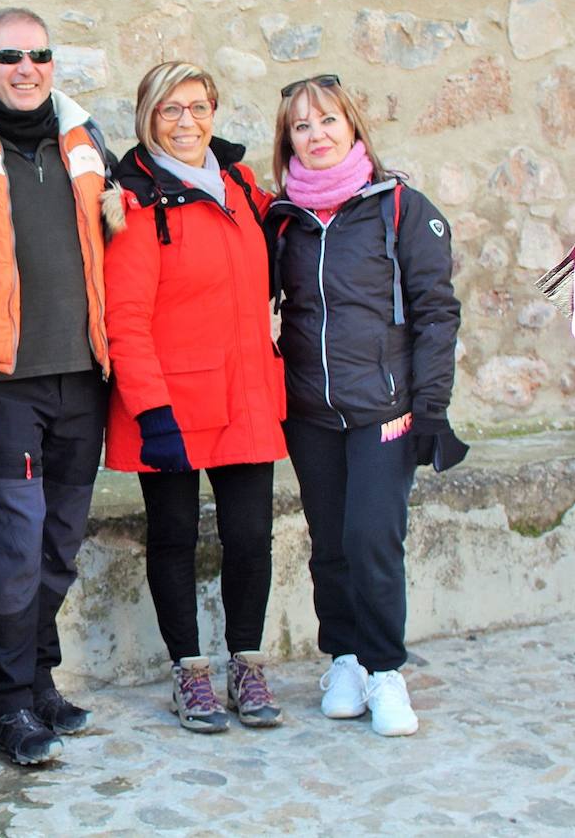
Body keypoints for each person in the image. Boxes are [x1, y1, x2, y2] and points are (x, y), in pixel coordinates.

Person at [270, 74, 464, 737]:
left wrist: (431, 408)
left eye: (327, 120)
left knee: (372, 540)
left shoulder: (402, 206)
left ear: (353, 126)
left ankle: (386, 672)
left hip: (387, 410)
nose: (316, 135)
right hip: (310, 411)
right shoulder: (284, 218)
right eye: (302, 126)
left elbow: (438, 313)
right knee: (329, 544)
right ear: (288, 139)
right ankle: (345, 659)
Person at [102, 61, 287, 734]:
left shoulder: (240, 186)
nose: (186, 122)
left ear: (215, 109)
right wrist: (150, 413)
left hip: (244, 393)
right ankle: (190, 671)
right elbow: (125, 319)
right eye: (169, 110)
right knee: (175, 538)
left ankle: (247, 661)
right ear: (148, 119)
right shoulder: (135, 201)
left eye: (197, 107)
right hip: (172, 407)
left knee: (249, 539)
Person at [0, 7, 110, 765]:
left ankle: (38, 678)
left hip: (83, 375)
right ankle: (6, 706)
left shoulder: (85, 143)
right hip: (6, 379)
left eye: (39, 54)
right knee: (14, 545)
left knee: (59, 544)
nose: (26, 67)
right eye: (8, 55)